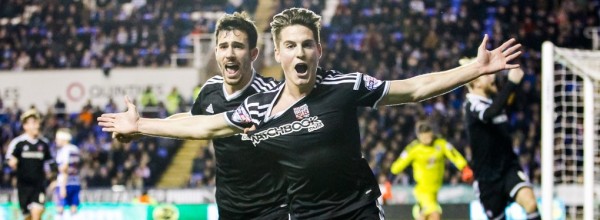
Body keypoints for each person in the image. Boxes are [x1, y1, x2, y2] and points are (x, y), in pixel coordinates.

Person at [98, 8, 521, 219]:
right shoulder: (260, 106)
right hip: (301, 215)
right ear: (277, 53)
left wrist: (474, 70)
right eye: (291, 45)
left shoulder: (345, 86)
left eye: (307, 44)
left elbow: (413, 89)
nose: (300, 52)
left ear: (318, 49)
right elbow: (203, 125)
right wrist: (142, 126)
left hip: (357, 210)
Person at [117, 12, 288, 219]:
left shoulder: (272, 95)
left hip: (273, 209)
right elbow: (191, 120)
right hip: (229, 209)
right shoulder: (210, 90)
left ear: (253, 54)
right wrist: (141, 129)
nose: (230, 53)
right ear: (216, 52)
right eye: (224, 46)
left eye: (238, 46)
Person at [461, 58, 540, 220]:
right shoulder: (472, 104)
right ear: (476, 83)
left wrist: (516, 85)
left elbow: (510, 105)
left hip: (508, 168)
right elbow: (490, 113)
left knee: (530, 203)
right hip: (487, 179)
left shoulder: (495, 101)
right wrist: (511, 83)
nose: (492, 78)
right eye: (487, 76)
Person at [390, 121, 473, 220]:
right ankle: (420, 209)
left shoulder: (440, 144)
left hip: (435, 190)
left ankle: (419, 211)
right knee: (435, 215)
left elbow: (454, 155)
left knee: (425, 216)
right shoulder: (414, 148)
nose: (426, 140)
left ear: (432, 134)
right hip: (423, 189)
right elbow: (397, 166)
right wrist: (390, 177)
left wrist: (464, 168)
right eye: (424, 138)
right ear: (419, 136)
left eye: (428, 137)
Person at [6, 109, 56, 220]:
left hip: (39, 186)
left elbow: (51, 162)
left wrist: (54, 179)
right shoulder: (18, 143)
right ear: (25, 126)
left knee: (36, 214)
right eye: (33, 123)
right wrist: (11, 162)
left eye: (37, 123)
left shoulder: (44, 144)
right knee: (28, 217)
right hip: (23, 187)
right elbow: (8, 159)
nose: (37, 126)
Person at [54, 128, 82, 219]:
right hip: (75, 182)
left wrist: (62, 186)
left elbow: (65, 168)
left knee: (60, 209)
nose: (56, 141)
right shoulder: (75, 149)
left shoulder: (64, 150)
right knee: (74, 208)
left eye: (57, 138)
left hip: (65, 183)